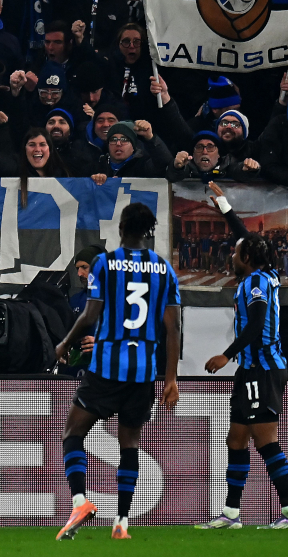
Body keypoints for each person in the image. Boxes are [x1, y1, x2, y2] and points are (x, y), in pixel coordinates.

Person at [53, 203, 181, 540]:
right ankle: (122, 521)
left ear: (121, 226)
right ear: (149, 230)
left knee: (72, 433)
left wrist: (65, 342)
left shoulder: (105, 263)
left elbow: (90, 315)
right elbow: (174, 328)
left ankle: (80, 501)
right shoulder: (164, 269)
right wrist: (170, 379)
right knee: (130, 442)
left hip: (108, 366)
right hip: (144, 371)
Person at [198, 183, 288, 530]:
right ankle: (231, 515)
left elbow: (257, 325)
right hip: (250, 371)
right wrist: (226, 206)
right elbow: (245, 235)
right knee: (236, 438)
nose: (231, 253)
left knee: (265, 439)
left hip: (263, 369)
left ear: (246, 258)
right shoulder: (261, 272)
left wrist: (226, 355)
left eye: (236, 251)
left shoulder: (255, 283)